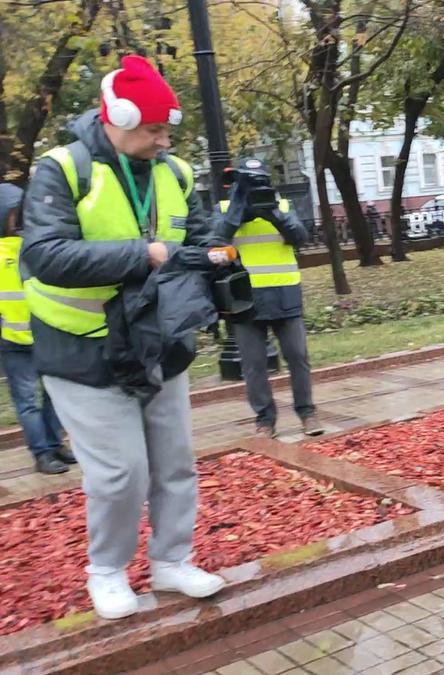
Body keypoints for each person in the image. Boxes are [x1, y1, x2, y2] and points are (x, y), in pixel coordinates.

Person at [22, 55, 227, 619]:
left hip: (159, 342)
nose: (163, 140)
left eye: (167, 129)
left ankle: (172, 561)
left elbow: (200, 231)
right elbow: (43, 255)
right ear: (116, 118)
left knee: (175, 462)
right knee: (121, 472)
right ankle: (107, 571)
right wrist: (144, 255)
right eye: (152, 129)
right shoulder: (62, 169)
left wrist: (213, 252)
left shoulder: (176, 172)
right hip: (83, 347)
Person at [217, 158, 322, 438]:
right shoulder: (226, 209)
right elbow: (215, 241)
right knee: (253, 364)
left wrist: (273, 213)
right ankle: (265, 420)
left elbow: (300, 237)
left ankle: (307, 413)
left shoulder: (283, 206)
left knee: (298, 356)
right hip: (243, 300)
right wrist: (238, 212)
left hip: (284, 292)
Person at [0, 184, 71, 474]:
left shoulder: (36, 245)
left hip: (31, 335)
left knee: (42, 398)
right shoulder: (37, 246)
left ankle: (51, 448)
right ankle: (45, 452)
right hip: (27, 338)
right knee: (38, 398)